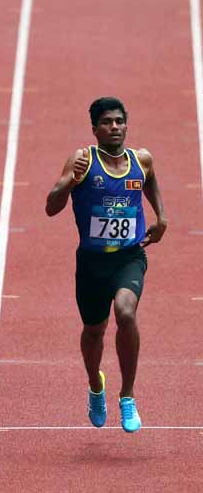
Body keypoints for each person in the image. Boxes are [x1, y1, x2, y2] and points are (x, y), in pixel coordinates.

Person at [45, 97, 167, 433]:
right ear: (95, 128)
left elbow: (151, 179)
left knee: (126, 312)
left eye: (119, 121)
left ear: (126, 124)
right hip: (91, 263)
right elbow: (51, 207)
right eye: (107, 122)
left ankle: (127, 396)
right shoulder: (83, 160)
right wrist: (71, 181)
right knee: (93, 332)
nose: (115, 127)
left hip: (129, 257)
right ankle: (95, 385)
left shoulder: (140, 159)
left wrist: (161, 217)